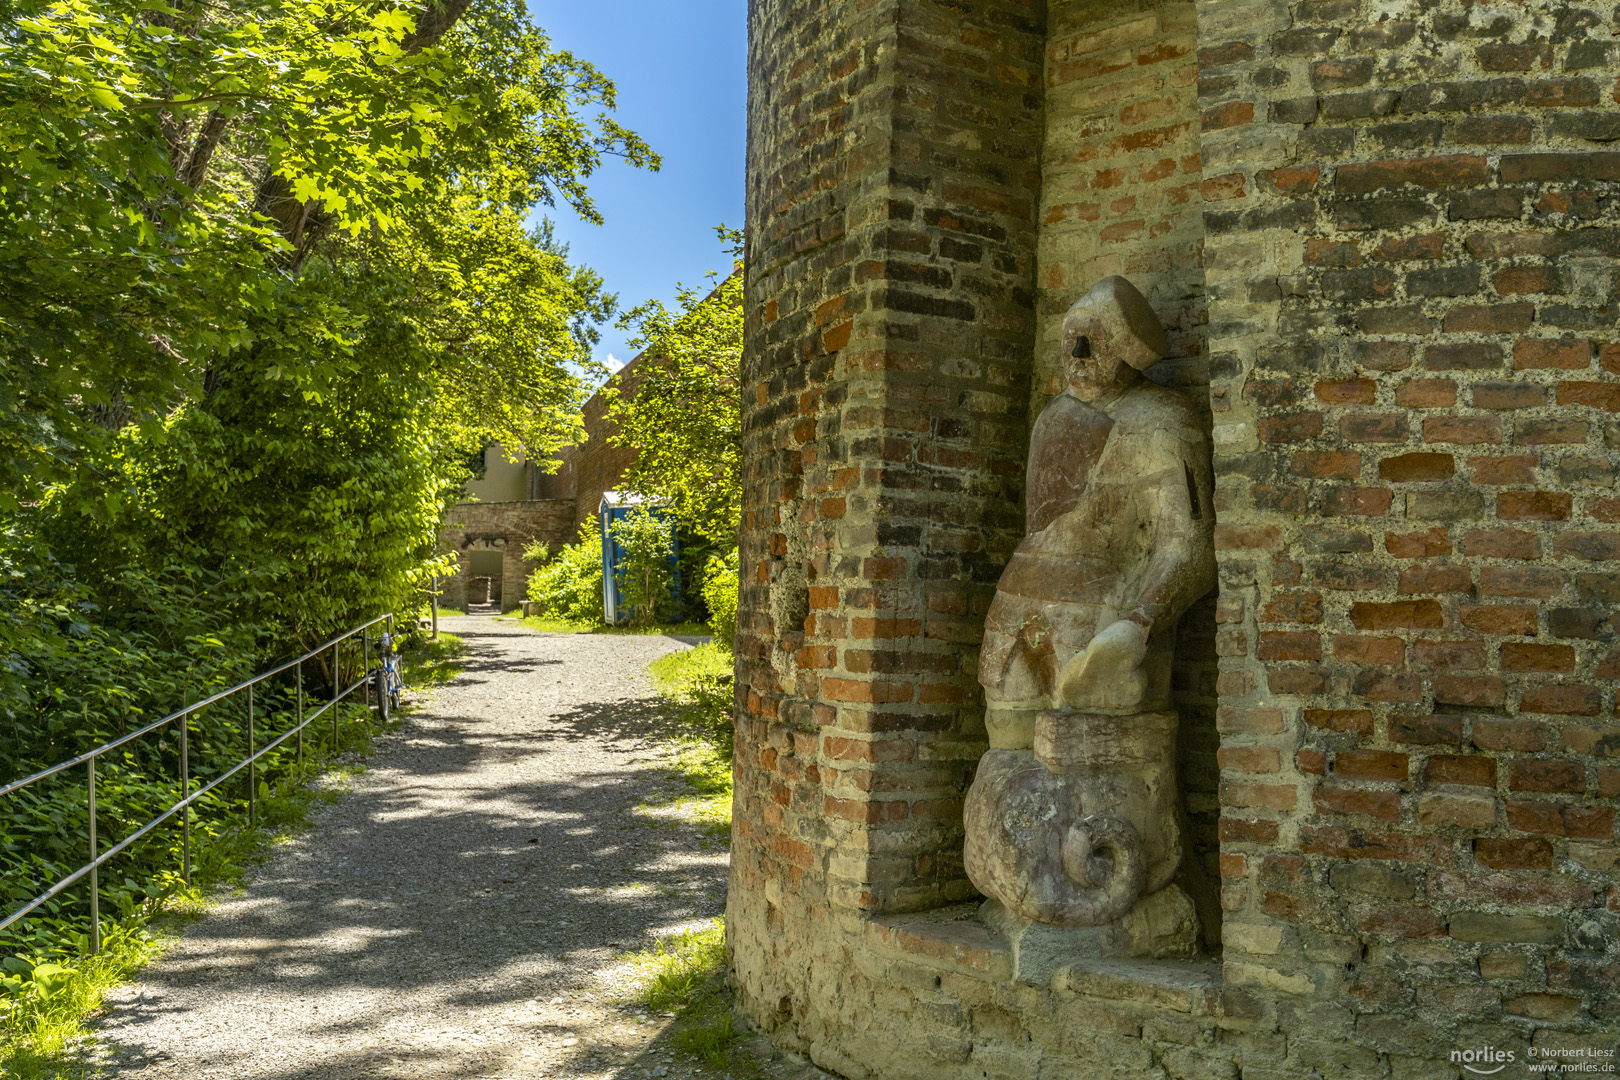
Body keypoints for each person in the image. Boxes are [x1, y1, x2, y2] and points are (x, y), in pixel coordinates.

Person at [978, 275, 1216, 748]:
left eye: (1095, 338)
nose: (1080, 353)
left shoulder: (1164, 419)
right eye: (1072, 338)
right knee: (1005, 755)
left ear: (1126, 349)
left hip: (1107, 615)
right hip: (1019, 611)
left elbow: (1191, 547)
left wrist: (1138, 624)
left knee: (1093, 768)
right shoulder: (1052, 419)